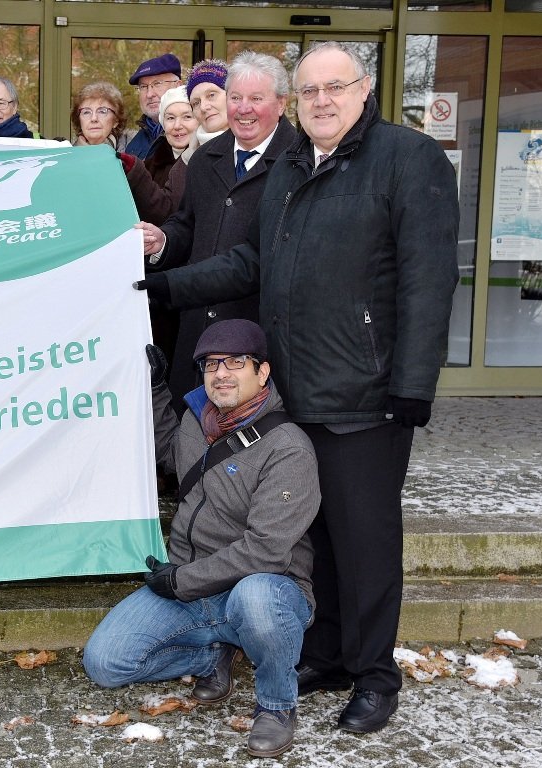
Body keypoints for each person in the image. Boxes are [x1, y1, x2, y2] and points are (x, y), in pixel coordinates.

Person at [137, 42, 460, 733]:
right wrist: (161, 287)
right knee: (317, 540)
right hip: (291, 401)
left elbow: (429, 280)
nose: (321, 100)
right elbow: (252, 261)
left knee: (366, 542)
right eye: (309, 90)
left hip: (365, 399)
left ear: (364, 90)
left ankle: (376, 676)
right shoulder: (290, 166)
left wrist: (413, 385)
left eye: (333, 88)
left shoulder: (406, 159)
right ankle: (332, 656)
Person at [83, 320, 319, 759]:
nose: (222, 373)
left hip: (268, 587)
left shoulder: (288, 448)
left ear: (262, 372)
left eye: (236, 362)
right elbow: (167, 453)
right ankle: (213, 656)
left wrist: (181, 581)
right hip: (196, 590)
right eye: (211, 364)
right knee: (106, 663)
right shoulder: (199, 421)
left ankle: (276, 706)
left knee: (255, 598)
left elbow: (266, 550)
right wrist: (154, 389)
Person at [140, 51, 296, 415]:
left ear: (282, 103)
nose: (243, 109)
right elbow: (187, 224)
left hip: (257, 340)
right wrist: (162, 240)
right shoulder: (206, 158)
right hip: (197, 338)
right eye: (236, 97)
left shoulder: (300, 163)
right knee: (189, 449)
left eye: (256, 99)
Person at [124, 85, 198, 226]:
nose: (177, 125)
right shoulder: (149, 165)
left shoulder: (207, 163)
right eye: (170, 118)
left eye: (187, 117)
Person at [126, 53, 181, 159]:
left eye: (157, 84)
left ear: (178, 86)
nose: (149, 94)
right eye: (143, 86)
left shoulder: (190, 134)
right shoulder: (133, 146)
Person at [70, 81, 126, 147]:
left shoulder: (132, 150)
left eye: (102, 111)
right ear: (79, 120)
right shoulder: (66, 155)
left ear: (116, 121)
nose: (94, 118)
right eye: (86, 112)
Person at [186, 59, 229, 146]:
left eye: (211, 95)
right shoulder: (188, 157)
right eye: (196, 103)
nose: (203, 107)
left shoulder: (259, 145)